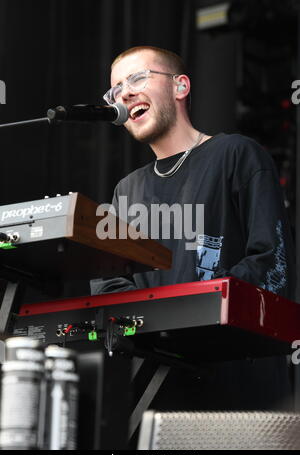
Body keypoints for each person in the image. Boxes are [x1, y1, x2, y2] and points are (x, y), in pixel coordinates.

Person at [91, 46, 295, 415]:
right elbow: (108, 283)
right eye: (115, 89)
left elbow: (271, 263)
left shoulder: (236, 154)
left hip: (237, 394)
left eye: (137, 78)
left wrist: (192, 314)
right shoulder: (126, 190)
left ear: (180, 87)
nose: (124, 93)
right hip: (156, 393)